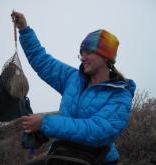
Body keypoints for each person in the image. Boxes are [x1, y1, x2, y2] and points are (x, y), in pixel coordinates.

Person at [11, 11, 136, 165]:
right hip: (64, 154)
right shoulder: (73, 78)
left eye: (88, 52)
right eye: (81, 53)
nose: (83, 57)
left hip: (97, 160)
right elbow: (42, 61)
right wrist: (24, 29)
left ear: (106, 57)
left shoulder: (120, 95)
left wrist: (44, 123)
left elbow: (97, 131)